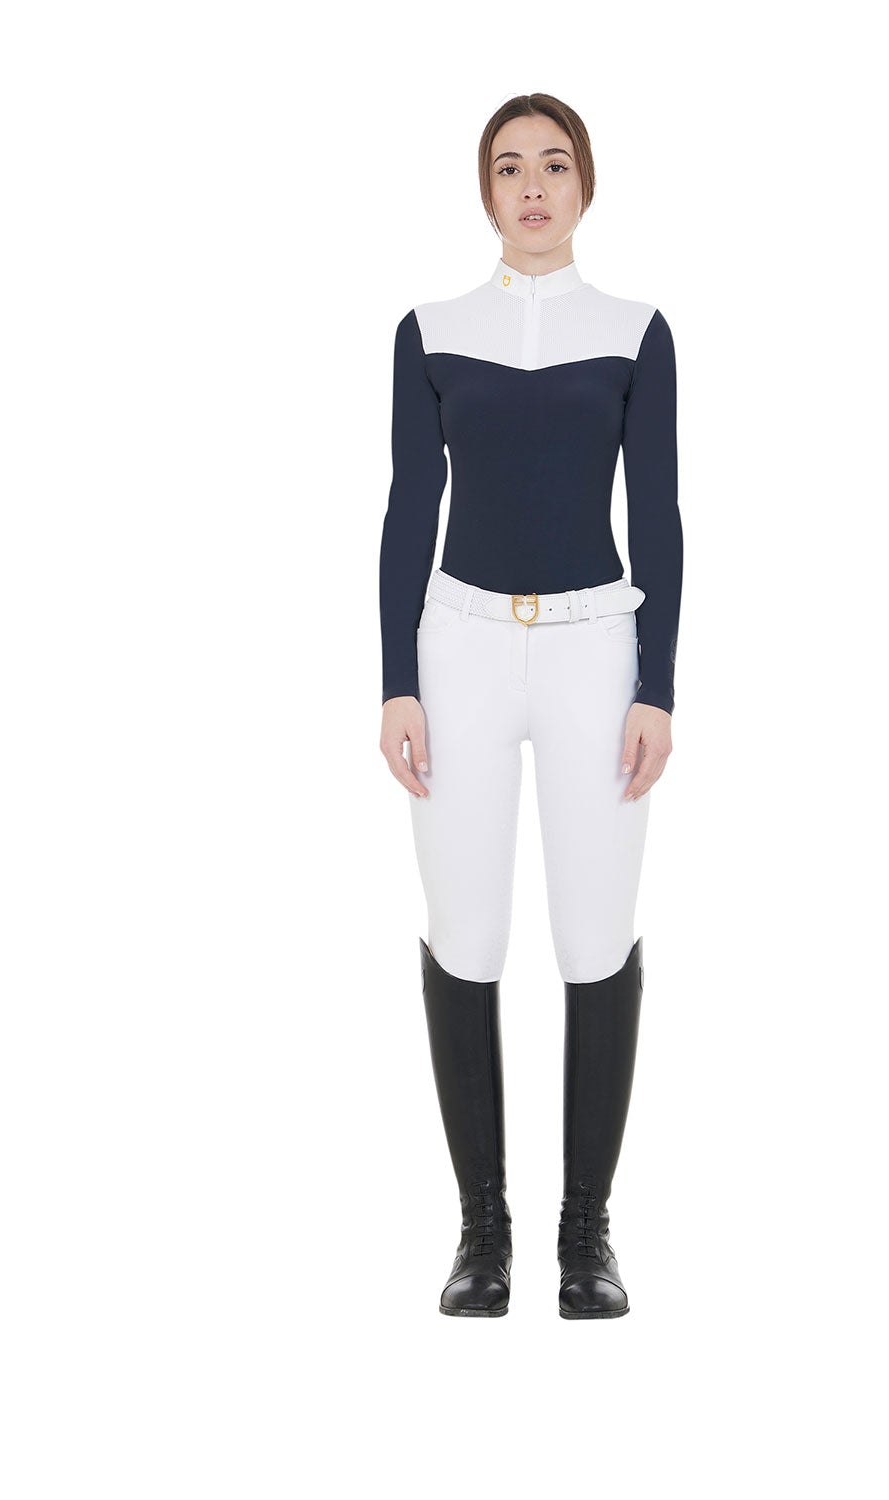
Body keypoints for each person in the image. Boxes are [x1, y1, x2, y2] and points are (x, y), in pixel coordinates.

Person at [377, 93, 683, 1319]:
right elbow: (409, 507)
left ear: (586, 184)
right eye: (510, 168)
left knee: (596, 933)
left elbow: (658, 513)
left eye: (555, 165)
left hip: (594, 647)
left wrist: (657, 685)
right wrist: (396, 678)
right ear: (486, 192)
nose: (534, 186)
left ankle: (585, 1236)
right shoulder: (431, 331)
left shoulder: (637, 331)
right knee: (466, 930)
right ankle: (482, 1235)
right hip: (457, 645)